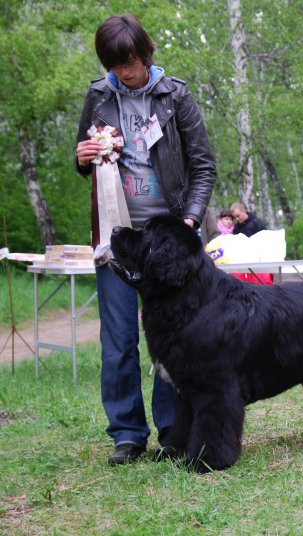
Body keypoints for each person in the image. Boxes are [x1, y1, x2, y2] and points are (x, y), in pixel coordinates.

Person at [74, 14, 216, 464]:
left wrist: (188, 224)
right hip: (119, 242)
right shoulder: (98, 96)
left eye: (129, 62)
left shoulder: (175, 94)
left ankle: (173, 429)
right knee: (118, 342)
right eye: (114, 65)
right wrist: (81, 158)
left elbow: (203, 166)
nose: (123, 72)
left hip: (169, 244)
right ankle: (127, 434)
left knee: (176, 338)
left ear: (145, 54)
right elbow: (87, 163)